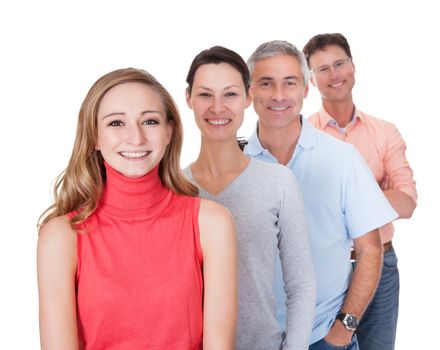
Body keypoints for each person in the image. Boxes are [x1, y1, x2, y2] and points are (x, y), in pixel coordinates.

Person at [37, 68, 237, 349]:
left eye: (150, 121)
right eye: (116, 123)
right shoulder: (61, 236)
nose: (136, 137)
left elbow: (219, 344)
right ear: (94, 136)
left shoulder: (211, 223)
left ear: (169, 131)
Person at [244, 40, 399, 350]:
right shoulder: (236, 166)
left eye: (289, 83)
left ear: (305, 89)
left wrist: (344, 328)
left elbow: (370, 249)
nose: (278, 95)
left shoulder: (343, 159)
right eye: (266, 83)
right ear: (249, 92)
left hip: (324, 338)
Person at [184, 46, 316, 350]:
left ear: (247, 97)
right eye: (205, 95)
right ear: (188, 98)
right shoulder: (174, 188)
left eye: (229, 94)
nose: (217, 108)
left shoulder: (278, 182)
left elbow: (301, 284)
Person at [303, 33, 417, 350]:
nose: (334, 74)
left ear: (353, 66)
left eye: (340, 63)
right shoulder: (303, 135)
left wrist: (340, 199)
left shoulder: (384, 132)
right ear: (310, 80)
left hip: (381, 266)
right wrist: (375, 195)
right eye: (322, 68)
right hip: (323, 269)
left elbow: (406, 202)